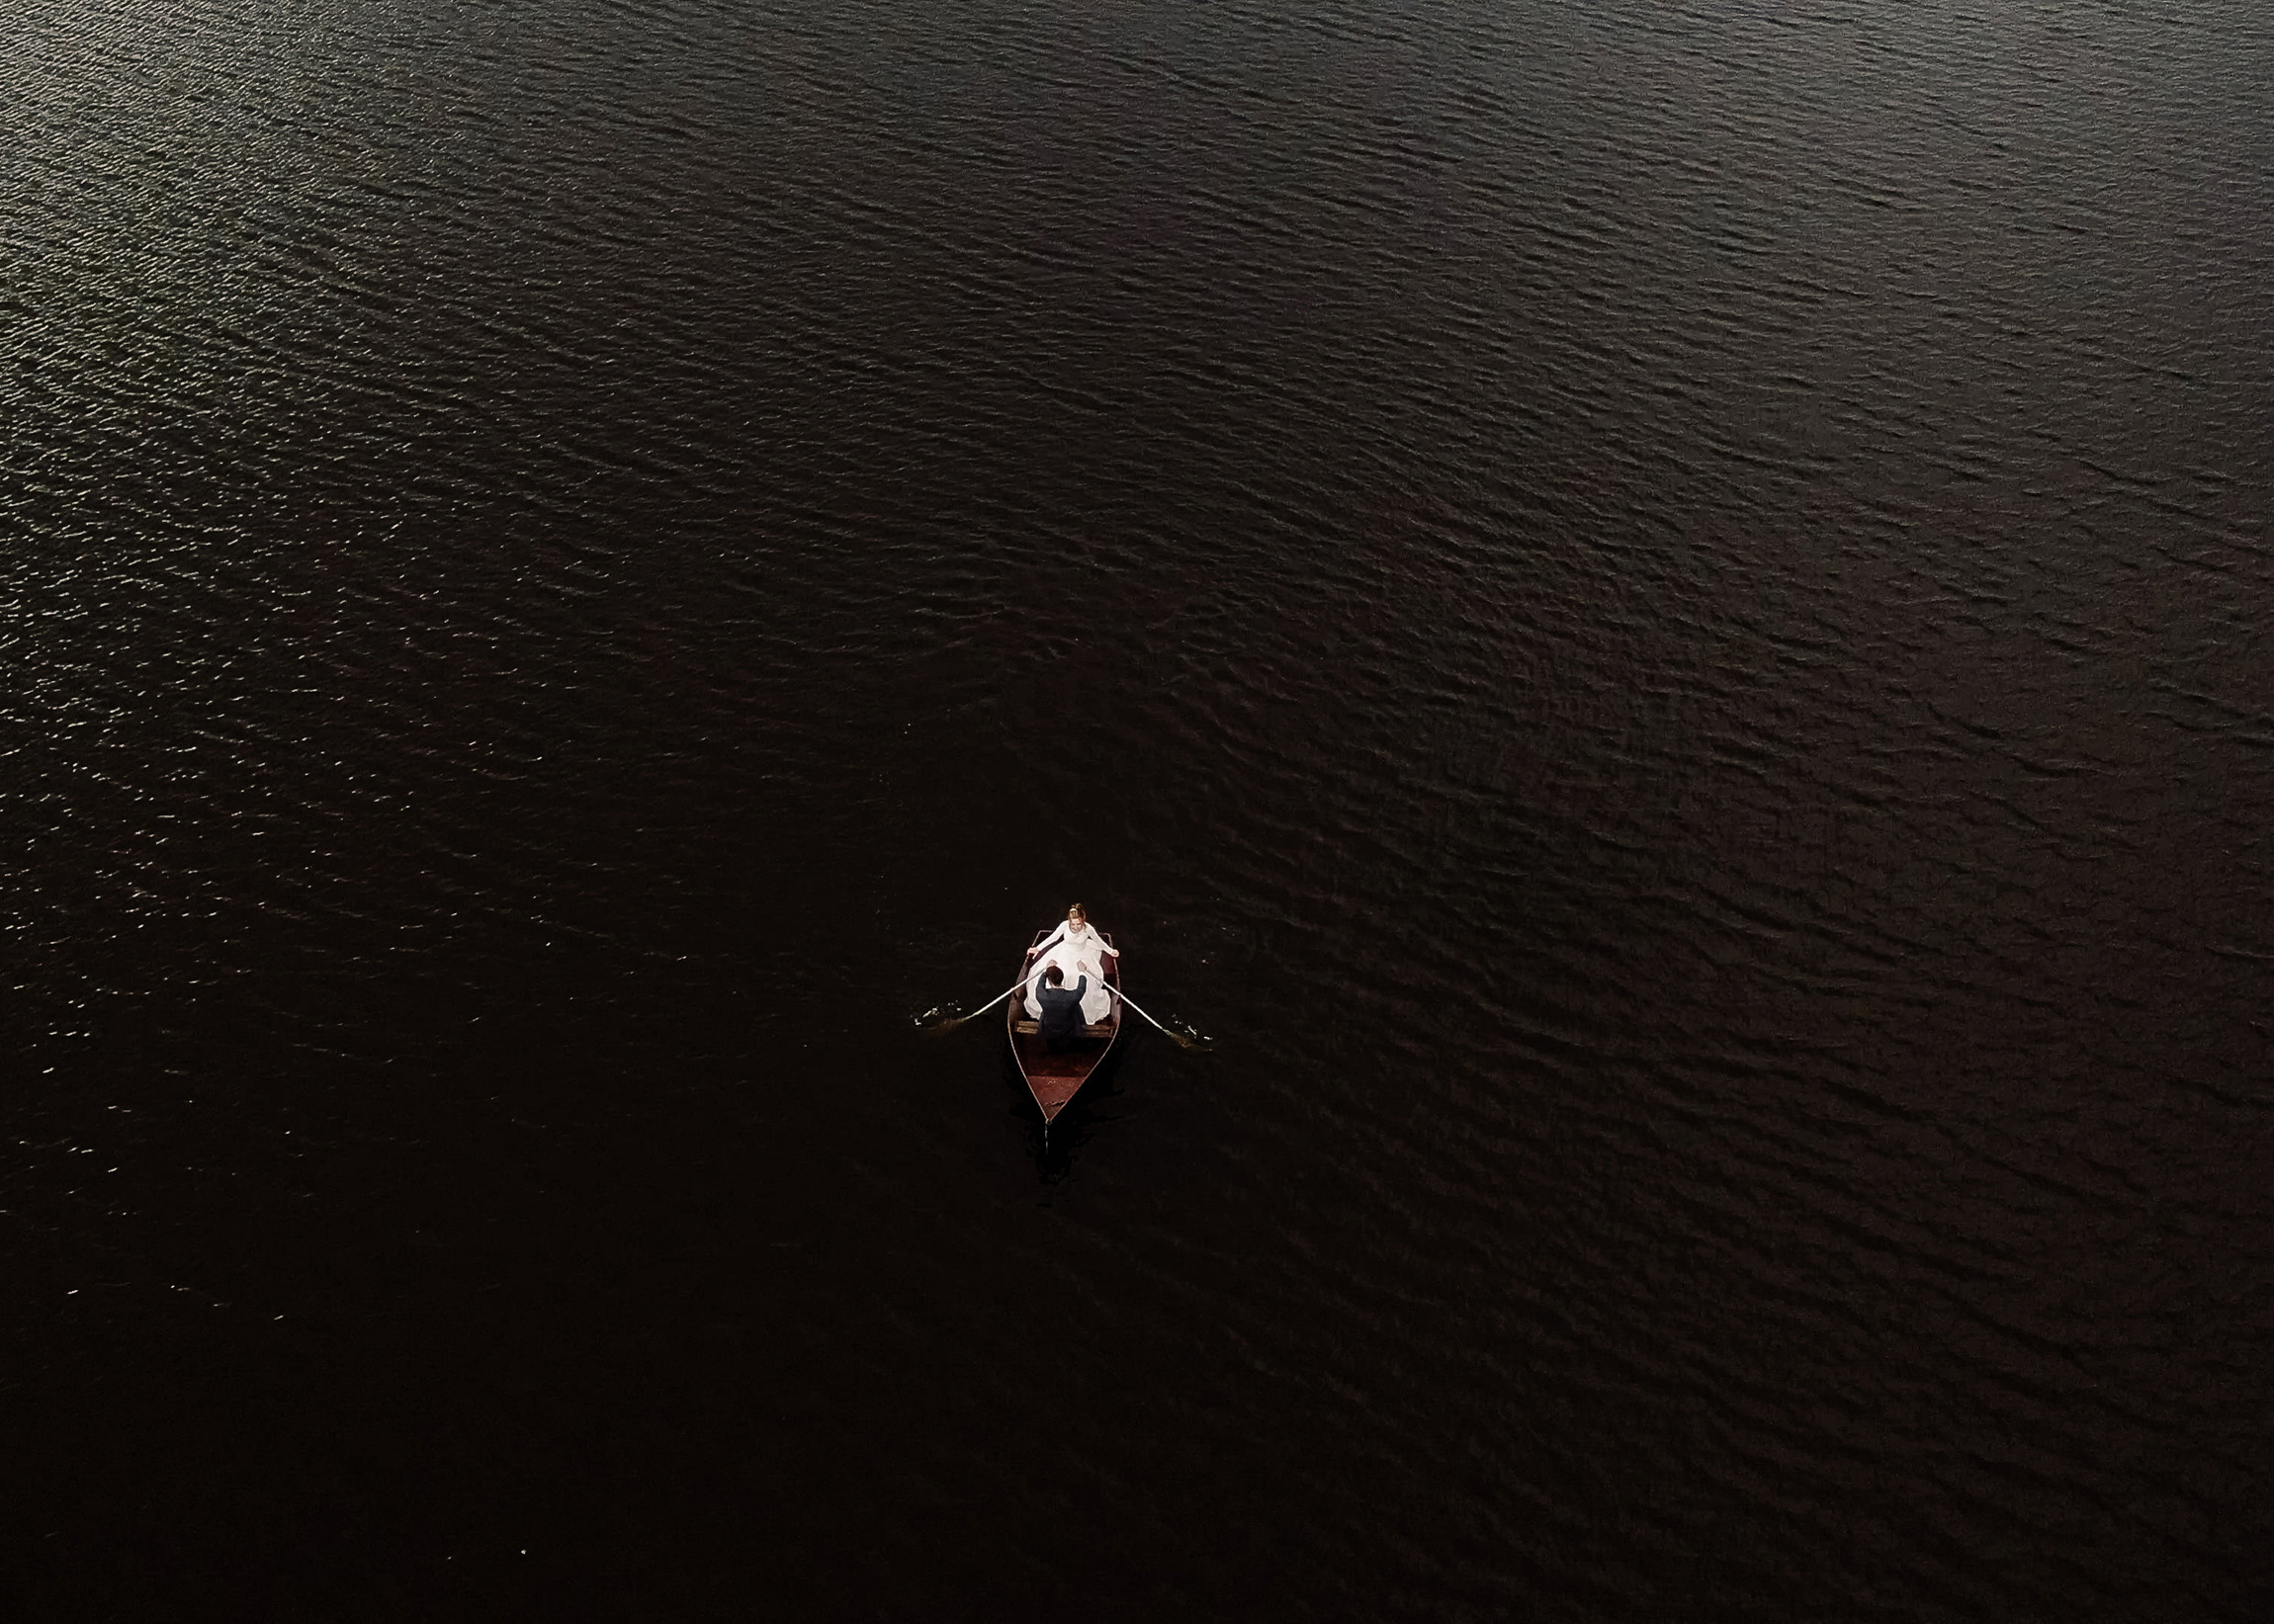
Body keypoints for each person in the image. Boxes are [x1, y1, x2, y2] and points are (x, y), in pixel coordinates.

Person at [1027, 903, 1117, 1026]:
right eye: (1073, 924)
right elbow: (1053, 938)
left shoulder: (1088, 929)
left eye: (1078, 924)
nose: (1075, 927)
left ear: (1083, 921)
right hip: (1064, 953)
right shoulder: (1064, 925)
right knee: (1057, 974)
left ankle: (1078, 1011)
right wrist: (1037, 948)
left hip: (1081, 955)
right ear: (1069, 922)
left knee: (1080, 978)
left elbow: (1099, 942)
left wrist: (1111, 951)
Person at [1033, 964, 1091, 1053]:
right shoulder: (1072, 997)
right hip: (1070, 1029)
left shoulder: (1042, 995)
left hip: (1049, 1029)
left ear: (1049, 981)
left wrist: (1046, 971)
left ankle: (1052, 1046)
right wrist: (1081, 972)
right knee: (1076, 1006)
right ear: (1062, 978)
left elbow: (1040, 986)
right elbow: (1081, 988)